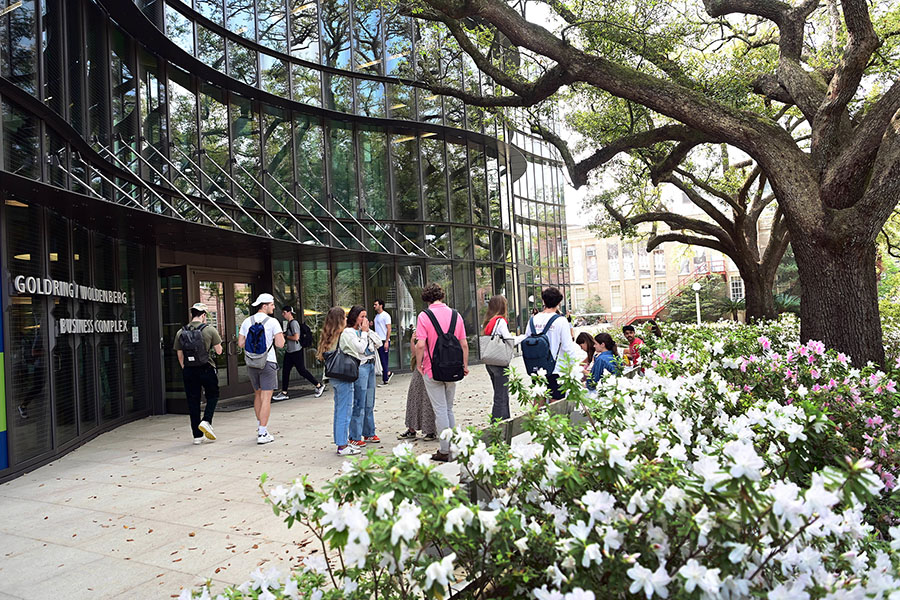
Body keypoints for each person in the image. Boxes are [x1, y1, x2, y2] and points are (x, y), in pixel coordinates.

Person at [415, 282, 469, 462]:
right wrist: (465, 365)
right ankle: (454, 447)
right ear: (442, 296)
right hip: (453, 368)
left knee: (439, 410)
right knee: (449, 408)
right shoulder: (456, 315)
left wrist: (419, 364)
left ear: (426, 299)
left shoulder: (424, 316)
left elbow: (421, 343)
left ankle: (445, 450)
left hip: (433, 368)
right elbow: (463, 344)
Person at [238, 293, 285, 445]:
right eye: (271, 304)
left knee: (257, 395)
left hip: (252, 363)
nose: (273, 307)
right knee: (266, 397)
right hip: (268, 362)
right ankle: (263, 432)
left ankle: (260, 427)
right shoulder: (273, 322)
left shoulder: (247, 321)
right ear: (264, 305)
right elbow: (280, 344)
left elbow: (240, 343)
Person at [173, 302, 223, 444]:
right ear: (203, 315)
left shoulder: (181, 332)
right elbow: (219, 351)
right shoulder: (210, 330)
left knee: (193, 401)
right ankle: (206, 420)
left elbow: (179, 354)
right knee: (213, 395)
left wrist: (185, 367)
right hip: (206, 367)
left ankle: (197, 436)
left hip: (189, 370)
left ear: (192, 314)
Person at [316, 307, 360, 456]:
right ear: (341, 319)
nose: (347, 319)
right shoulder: (344, 335)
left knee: (339, 410)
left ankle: (341, 442)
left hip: (333, 376)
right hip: (344, 376)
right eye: (345, 317)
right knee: (345, 410)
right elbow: (356, 351)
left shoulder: (328, 335)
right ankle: (342, 445)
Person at [527, 287, 579, 401]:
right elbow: (567, 347)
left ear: (543, 301)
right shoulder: (561, 321)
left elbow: (527, 340)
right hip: (556, 368)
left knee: (538, 400)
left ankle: (536, 419)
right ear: (559, 302)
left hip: (537, 367)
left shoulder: (533, 319)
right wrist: (574, 368)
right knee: (556, 404)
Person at [344, 305, 382, 447]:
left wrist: (367, 331)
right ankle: (354, 435)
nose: (365, 319)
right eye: (362, 316)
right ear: (355, 317)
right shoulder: (349, 332)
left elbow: (378, 342)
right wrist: (364, 333)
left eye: (366, 316)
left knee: (369, 402)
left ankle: (369, 432)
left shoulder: (365, 331)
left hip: (371, 365)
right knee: (359, 401)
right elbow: (359, 348)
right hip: (360, 367)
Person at [273, 305, 325, 401]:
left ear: (289, 313)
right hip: (290, 351)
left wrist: (285, 336)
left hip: (296, 351)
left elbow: (296, 337)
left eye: (284, 313)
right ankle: (284, 392)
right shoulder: (290, 323)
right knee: (286, 371)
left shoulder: (294, 323)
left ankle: (318, 385)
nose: (283, 315)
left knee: (302, 371)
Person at [482, 294, 516, 421]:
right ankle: (498, 422)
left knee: (498, 393)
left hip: (490, 361)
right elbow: (509, 339)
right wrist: (524, 337)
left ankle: (505, 419)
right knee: (501, 395)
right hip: (500, 362)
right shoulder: (500, 321)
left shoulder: (488, 322)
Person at [397, 338, 437, 441]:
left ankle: (430, 430)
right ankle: (412, 429)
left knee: (427, 400)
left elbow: (418, 350)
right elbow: (415, 352)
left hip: (429, 369)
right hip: (420, 371)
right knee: (414, 398)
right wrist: (412, 341)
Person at [373, 299, 394, 386]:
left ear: (381, 305)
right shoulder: (377, 316)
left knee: (384, 359)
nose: (374, 306)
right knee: (381, 360)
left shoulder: (385, 315)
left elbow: (389, 328)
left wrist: (386, 341)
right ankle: (387, 374)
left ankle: (386, 378)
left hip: (383, 340)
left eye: (376, 304)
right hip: (378, 340)